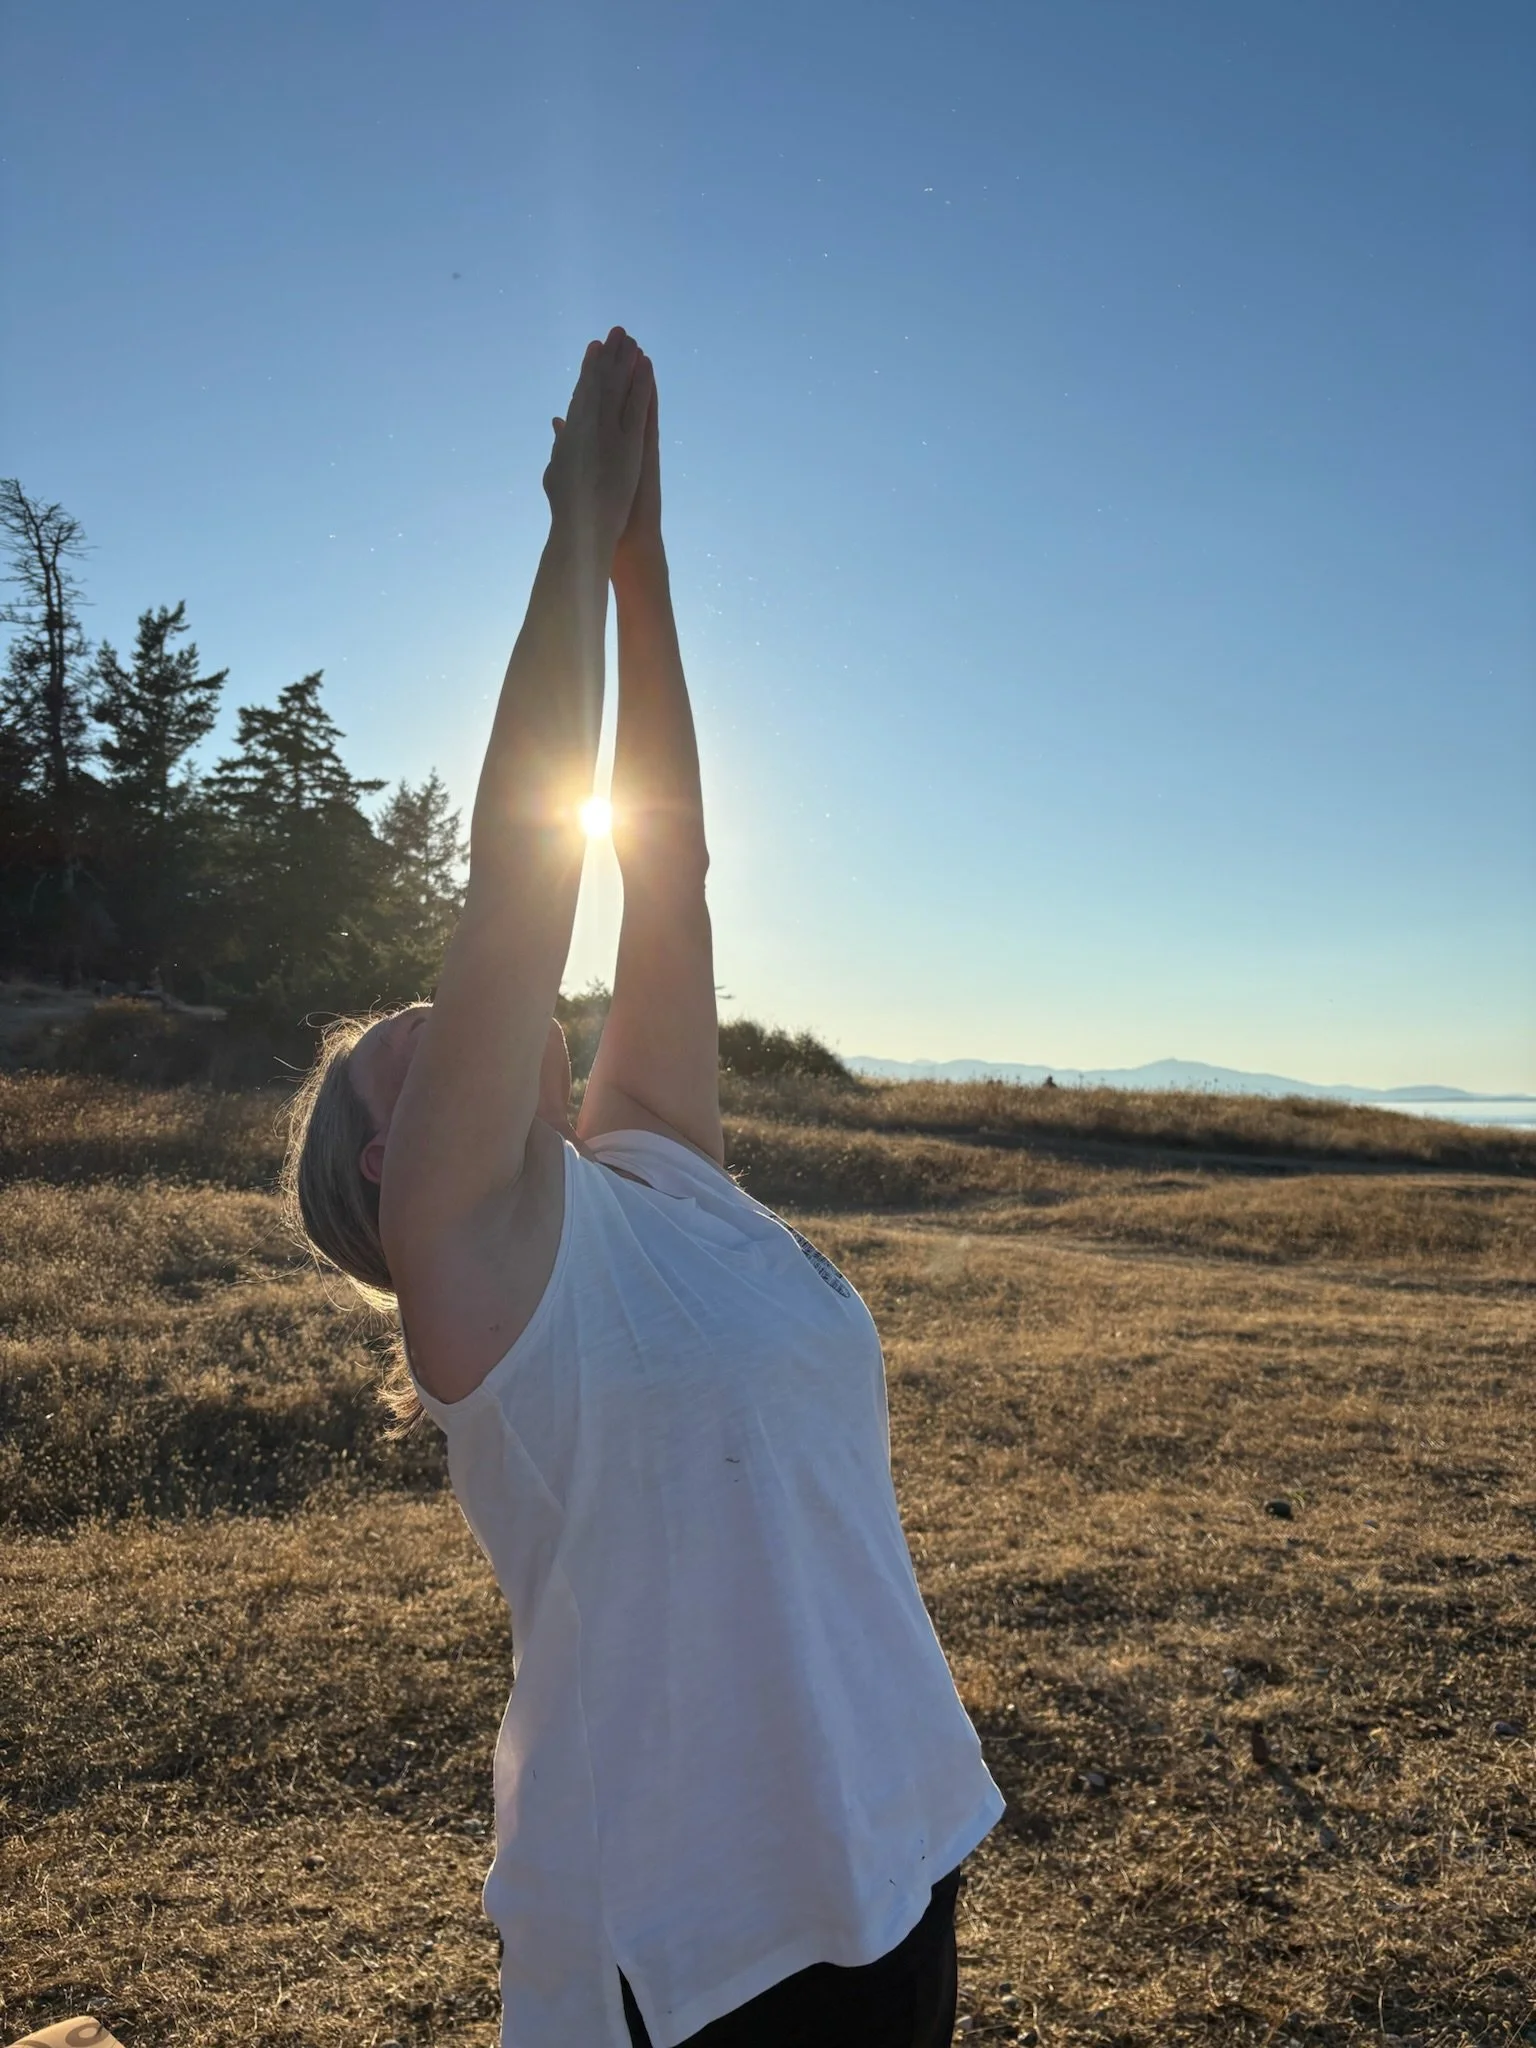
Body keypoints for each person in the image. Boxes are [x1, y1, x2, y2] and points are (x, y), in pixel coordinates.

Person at [283, 329, 1004, 2048]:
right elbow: (519, 884)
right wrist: (568, 536)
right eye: (408, 1042)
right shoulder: (482, 1278)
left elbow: (660, 869)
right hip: (681, 1946)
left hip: (889, 1852)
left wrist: (645, 563)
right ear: (392, 1170)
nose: (444, 1019)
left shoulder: (656, 1176)